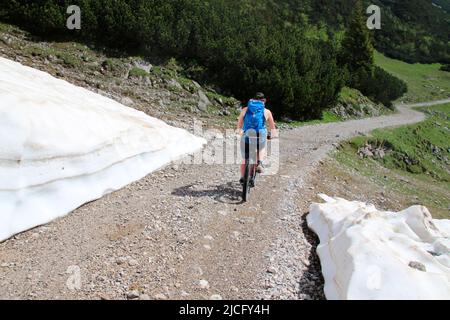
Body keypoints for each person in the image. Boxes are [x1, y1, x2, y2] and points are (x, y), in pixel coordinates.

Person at [237, 92, 277, 184]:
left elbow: (239, 123)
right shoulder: (267, 111)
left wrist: (239, 132)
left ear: (253, 99)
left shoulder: (245, 109)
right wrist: (273, 135)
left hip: (247, 134)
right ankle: (259, 162)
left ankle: (243, 176)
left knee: (245, 157)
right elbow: (272, 127)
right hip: (260, 134)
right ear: (264, 101)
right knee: (262, 147)